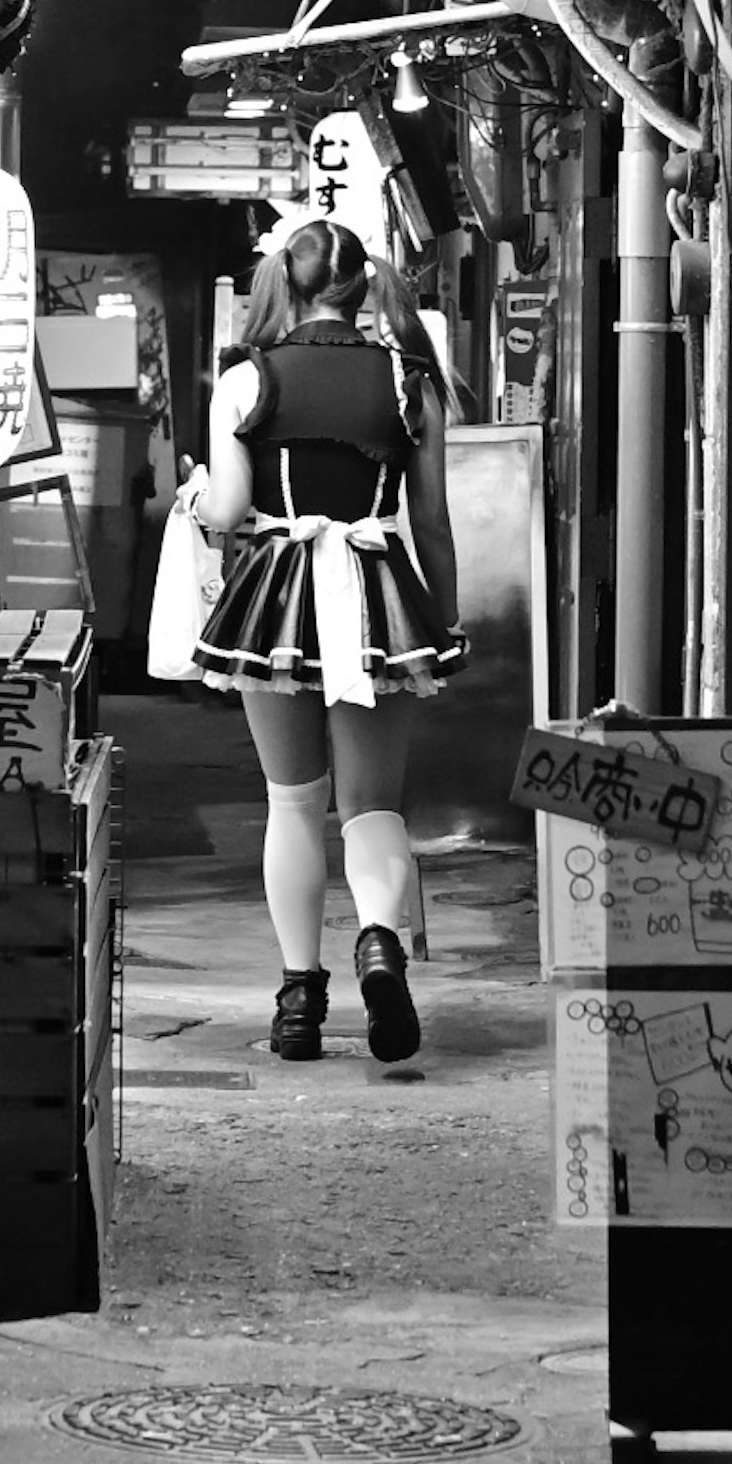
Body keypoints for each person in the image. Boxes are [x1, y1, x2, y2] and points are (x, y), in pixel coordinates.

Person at [189, 208, 461, 1067]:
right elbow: (435, 522)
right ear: (360, 285)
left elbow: (229, 512)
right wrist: (443, 623)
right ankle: (379, 943)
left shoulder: (245, 378)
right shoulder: (406, 380)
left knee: (293, 803)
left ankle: (299, 1001)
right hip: (378, 593)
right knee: (374, 807)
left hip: (274, 601)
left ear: (290, 283)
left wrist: (197, 504)